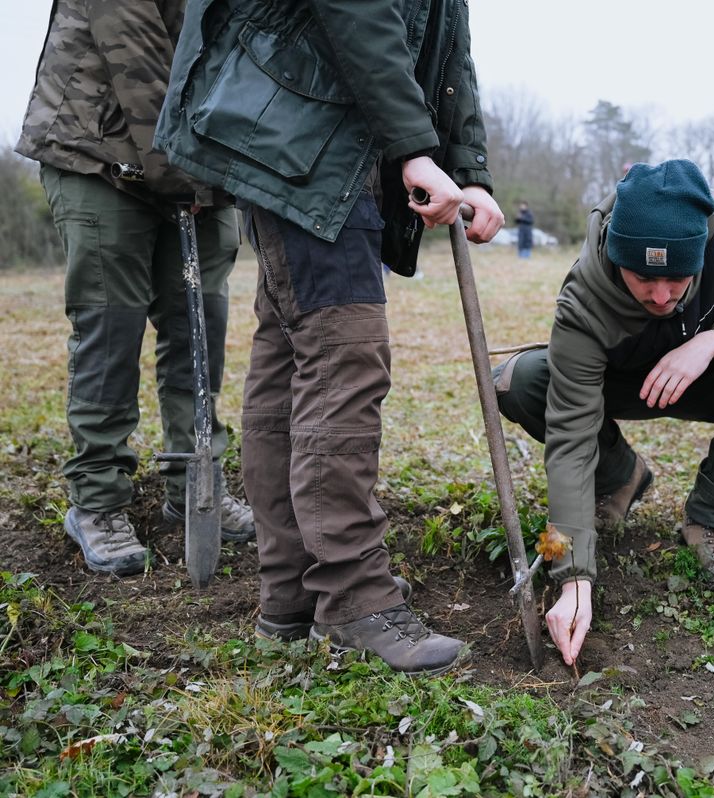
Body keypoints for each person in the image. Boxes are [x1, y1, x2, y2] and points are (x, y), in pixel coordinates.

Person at [156, 0, 504, 675]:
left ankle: (289, 598)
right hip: (305, 138)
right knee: (345, 360)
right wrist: (414, 147)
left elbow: (447, 52)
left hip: (326, 145)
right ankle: (351, 600)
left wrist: (470, 170)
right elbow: (359, 12)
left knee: (291, 364)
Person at [493, 160, 714, 667]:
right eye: (643, 278)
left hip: (707, 373)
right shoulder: (584, 296)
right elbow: (570, 440)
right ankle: (621, 477)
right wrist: (571, 575)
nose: (662, 296)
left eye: (678, 278)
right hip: (618, 382)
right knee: (521, 379)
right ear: (618, 255)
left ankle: (711, 519)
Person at [16, 0, 255, 577]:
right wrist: (186, 177)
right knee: (111, 326)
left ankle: (193, 484)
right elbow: (139, 60)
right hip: (97, 150)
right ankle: (97, 499)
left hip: (195, 159)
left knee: (198, 322)